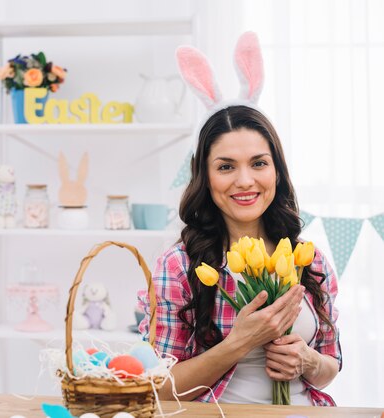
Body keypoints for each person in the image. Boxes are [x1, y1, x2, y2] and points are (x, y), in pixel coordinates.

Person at [137, 33, 341, 406]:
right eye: (226, 166)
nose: (245, 181)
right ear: (205, 175)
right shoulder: (180, 265)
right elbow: (160, 387)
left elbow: (331, 365)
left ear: (276, 171)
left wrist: (307, 361)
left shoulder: (306, 258)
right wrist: (240, 342)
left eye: (259, 163)